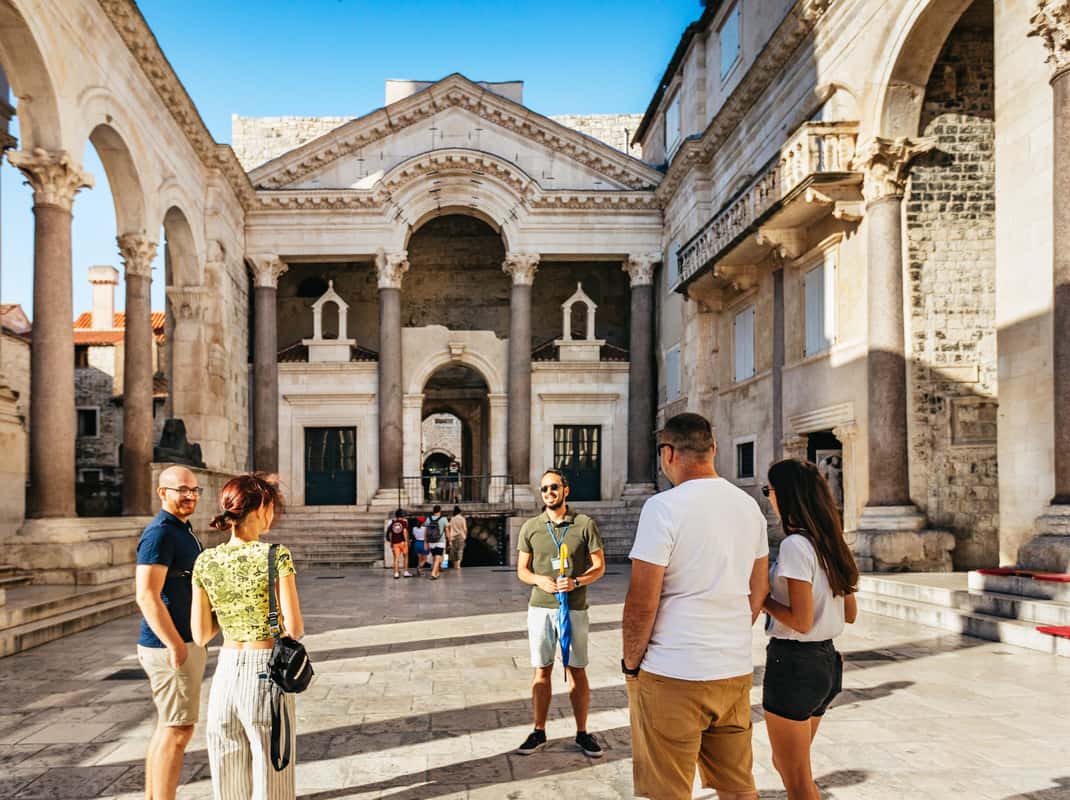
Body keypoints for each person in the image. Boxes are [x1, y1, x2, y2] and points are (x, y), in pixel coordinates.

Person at [623, 412, 769, 800]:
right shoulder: (748, 506)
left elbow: (642, 601)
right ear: (714, 449)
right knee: (738, 787)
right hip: (733, 669)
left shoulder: (663, 508)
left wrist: (631, 664)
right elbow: (759, 587)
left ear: (667, 453)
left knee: (667, 791)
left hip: (674, 670)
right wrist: (730, 631)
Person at [191, 473, 305, 800]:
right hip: (264, 671)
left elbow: (201, 634)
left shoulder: (205, 561)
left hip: (225, 673)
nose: (273, 513)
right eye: (271, 506)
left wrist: (231, 609)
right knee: (273, 773)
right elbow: (295, 628)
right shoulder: (275, 555)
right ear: (259, 508)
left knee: (228, 776)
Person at [761, 459, 859, 800]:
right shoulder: (832, 543)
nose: (768, 498)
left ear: (785, 495)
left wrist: (762, 597)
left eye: (769, 491)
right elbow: (850, 613)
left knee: (796, 777)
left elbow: (800, 621)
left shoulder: (795, 547)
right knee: (793, 768)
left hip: (793, 664)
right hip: (827, 663)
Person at [515, 469, 606, 758]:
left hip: (575, 608)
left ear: (566, 489)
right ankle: (538, 730)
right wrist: (539, 580)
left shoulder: (584, 525)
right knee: (542, 669)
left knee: (576, 669)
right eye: (544, 489)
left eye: (554, 487)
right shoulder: (531, 527)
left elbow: (599, 566)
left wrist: (577, 581)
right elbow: (522, 570)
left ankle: (582, 732)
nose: (549, 493)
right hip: (541, 607)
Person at [134, 465, 207, 800]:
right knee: (179, 730)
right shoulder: (160, 532)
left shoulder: (181, 529)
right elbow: (146, 593)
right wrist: (176, 645)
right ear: (162, 492)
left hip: (180, 641)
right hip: (170, 645)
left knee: (168, 727)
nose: (190, 495)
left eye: (194, 490)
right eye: (182, 489)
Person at [386, 508, 411, 579]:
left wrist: (391, 542)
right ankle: (405, 572)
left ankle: (396, 573)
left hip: (395, 543)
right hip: (403, 542)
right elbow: (405, 532)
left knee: (396, 558)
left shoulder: (393, 523)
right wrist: (407, 541)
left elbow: (390, 533)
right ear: (403, 515)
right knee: (405, 557)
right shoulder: (404, 522)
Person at [427, 504, 447, 579]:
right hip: (440, 541)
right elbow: (447, 531)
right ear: (440, 511)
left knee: (435, 558)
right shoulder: (444, 519)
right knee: (439, 557)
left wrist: (426, 542)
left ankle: (437, 572)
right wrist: (449, 540)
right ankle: (433, 572)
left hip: (431, 541)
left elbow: (426, 531)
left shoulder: (428, 519)